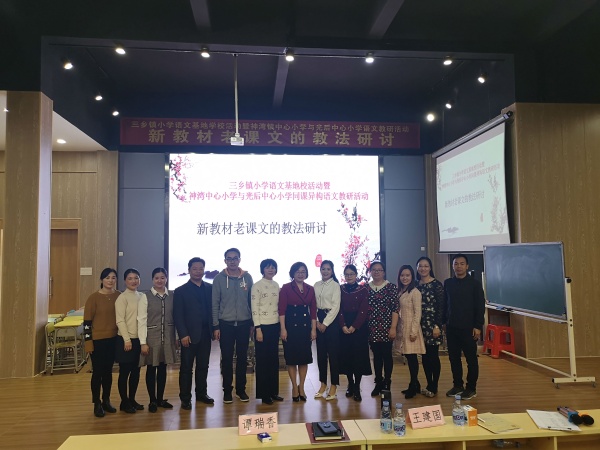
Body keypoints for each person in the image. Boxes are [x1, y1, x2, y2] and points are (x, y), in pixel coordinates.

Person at [212, 248, 254, 404]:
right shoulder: (219, 279)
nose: (232, 261)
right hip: (225, 324)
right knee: (227, 359)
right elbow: (215, 304)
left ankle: (241, 390)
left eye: (235, 258)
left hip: (244, 323)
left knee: (242, 358)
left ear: (239, 260)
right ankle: (227, 391)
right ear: (225, 261)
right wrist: (216, 326)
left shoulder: (247, 277)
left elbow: (251, 302)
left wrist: (252, 323)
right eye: (229, 259)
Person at [173, 257, 214, 410]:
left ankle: (201, 394)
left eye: (201, 268)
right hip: (188, 336)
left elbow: (213, 310)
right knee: (186, 368)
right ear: (189, 270)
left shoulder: (210, 288)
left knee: (203, 366)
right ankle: (185, 398)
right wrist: (183, 334)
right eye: (194, 269)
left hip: (206, 334)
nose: (198, 271)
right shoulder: (180, 291)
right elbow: (178, 315)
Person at [443, 254, 485, 400]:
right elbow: (445, 304)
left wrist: (478, 326)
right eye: (456, 264)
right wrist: (444, 322)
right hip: (451, 327)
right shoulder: (448, 283)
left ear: (467, 266)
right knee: (454, 359)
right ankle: (457, 386)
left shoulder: (474, 284)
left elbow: (480, 306)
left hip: (469, 328)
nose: (459, 266)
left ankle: (471, 388)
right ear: (453, 266)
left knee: (471, 359)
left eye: (462, 264)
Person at [138, 267, 177, 413]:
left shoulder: (172, 295)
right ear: (152, 279)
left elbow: (176, 317)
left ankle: (160, 399)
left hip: (167, 337)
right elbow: (141, 320)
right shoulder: (145, 297)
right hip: (151, 338)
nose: (160, 280)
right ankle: (152, 400)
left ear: (166, 279)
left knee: (162, 368)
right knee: (151, 368)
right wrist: (143, 342)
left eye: (162, 277)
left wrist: (176, 337)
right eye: (156, 278)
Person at [83, 268, 120, 418]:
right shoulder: (93, 298)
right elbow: (86, 323)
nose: (110, 280)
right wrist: (88, 343)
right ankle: (96, 402)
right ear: (102, 280)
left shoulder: (119, 296)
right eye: (107, 277)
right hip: (97, 341)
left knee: (108, 372)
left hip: (113, 339)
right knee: (98, 372)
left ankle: (106, 400)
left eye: (113, 277)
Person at [279, 261, 317, 402]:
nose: (301, 274)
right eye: (298, 272)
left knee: (303, 359)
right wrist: (283, 329)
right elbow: (282, 310)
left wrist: (313, 329)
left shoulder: (310, 289)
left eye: (303, 271)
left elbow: (313, 311)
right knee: (292, 359)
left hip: (305, 327)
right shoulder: (286, 288)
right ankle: (294, 387)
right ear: (292, 273)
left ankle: (302, 386)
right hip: (290, 326)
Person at [250, 259, 284, 405]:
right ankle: (264, 395)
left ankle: (273, 392)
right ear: (262, 269)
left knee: (273, 360)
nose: (271, 270)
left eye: (273, 268)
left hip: (274, 325)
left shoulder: (276, 285)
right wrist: (258, 328)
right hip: (262, 327)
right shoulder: (257, 286)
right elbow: (254, 308)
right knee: (263, 361)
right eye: (267, 267)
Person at [338, 264, 371, 402]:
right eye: (347, 274)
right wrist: (343, 325)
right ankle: (350, 384)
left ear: (356, 275)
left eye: (351, 274)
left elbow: (364, 310)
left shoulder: (363, 290)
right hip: (343, 327)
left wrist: (354, 326)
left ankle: (357, 387)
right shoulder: (340, 289)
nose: (349, 276)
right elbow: (338, 308)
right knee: (346, 357)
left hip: (359, 328)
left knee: (358, 358)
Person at [367, 261, 399, 397]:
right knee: (376, 356)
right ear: (370, 272)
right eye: (374, 270)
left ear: (384, 272)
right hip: (371, 328)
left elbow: (395, 309)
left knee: (387, 355)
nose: (377, 272)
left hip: (387, 328)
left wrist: (393, 327)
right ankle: (378, 382)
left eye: (379, 270)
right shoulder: (366, 288)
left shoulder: (391, 287)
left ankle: (387, 382)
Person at [115, 268, 145, 413]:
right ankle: (124, 402)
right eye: (130, 278)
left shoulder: (142, 296)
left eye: (136, 278)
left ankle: (132, 399)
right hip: (125, 340)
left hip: (139, 340)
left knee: (136, 372)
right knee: (124, 372)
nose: (134, 281)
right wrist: (127, 340)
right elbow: (120, 320)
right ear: (125, 281)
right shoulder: (122, 298)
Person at [415, 256, 445, 398]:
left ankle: (434, 385)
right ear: (417, 268)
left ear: (430, 268)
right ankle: (428, 384)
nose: (423, 268)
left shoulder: (436, 285)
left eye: (426, 266)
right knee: (425, 357)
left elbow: (441, 307)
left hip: (433, 326)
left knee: (433, 356)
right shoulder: (416, 285)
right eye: (420, 266)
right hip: (419, 326)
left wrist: (437, 326)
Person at [395, 265, 425, 399]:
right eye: (402, 275)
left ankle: (413, 386)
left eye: (407, 275)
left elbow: (418, 313)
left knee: (412, 358)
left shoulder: (415, 292)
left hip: (411, 329)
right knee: (408, 357)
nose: (404, 278)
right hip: (402, 328)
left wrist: (414, 331)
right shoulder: (401, 291)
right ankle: (415, 384)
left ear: (412, 277)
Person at [313, 260, 341, 400]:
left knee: (333, 355)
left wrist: (325, 323)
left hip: (332, 321)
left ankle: (334, 385)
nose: (325, 271)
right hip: (319, 319)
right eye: (323, 269)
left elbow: (336, 307)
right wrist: (318, 322)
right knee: (321, 355)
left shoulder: (335, 286)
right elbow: (313, 305)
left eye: (328, 269)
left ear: (332, 271)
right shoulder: (316, 285)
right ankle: (323, 384)